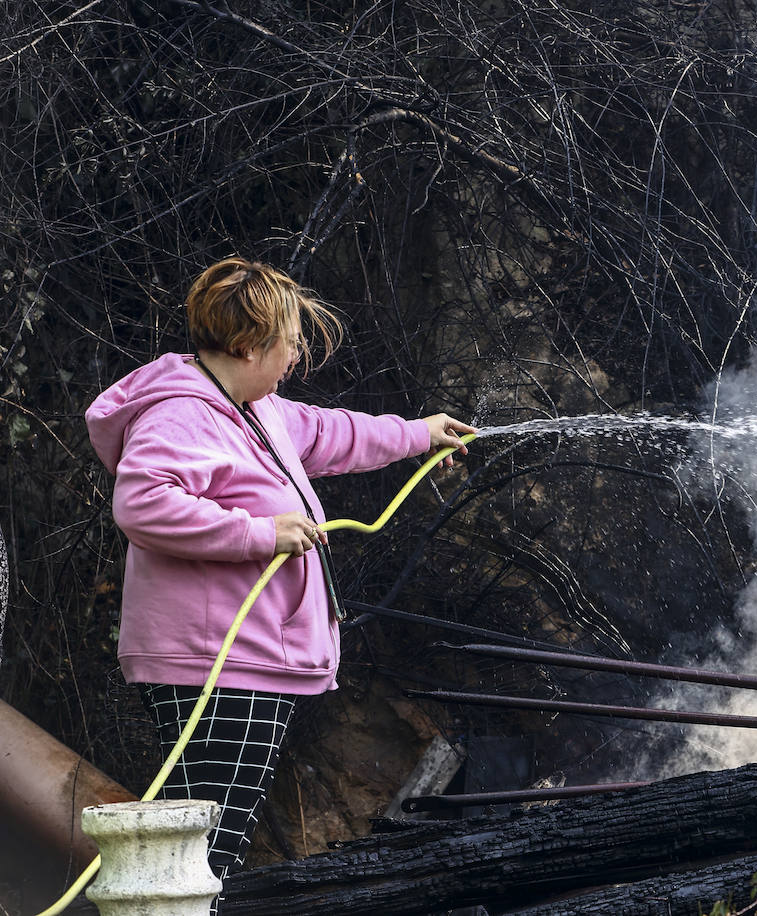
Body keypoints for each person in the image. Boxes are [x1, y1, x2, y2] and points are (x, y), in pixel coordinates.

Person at [85, 257, 477, 898]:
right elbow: (142, 504)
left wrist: (419, 434)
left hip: (240, 658)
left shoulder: (253, 410)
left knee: (207, 843)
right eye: (289, 338)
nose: (297, 351)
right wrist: (260, 534)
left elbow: (329, 431)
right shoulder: (183, 414)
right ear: (247, 344)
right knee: (207, 848)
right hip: (212, 661)